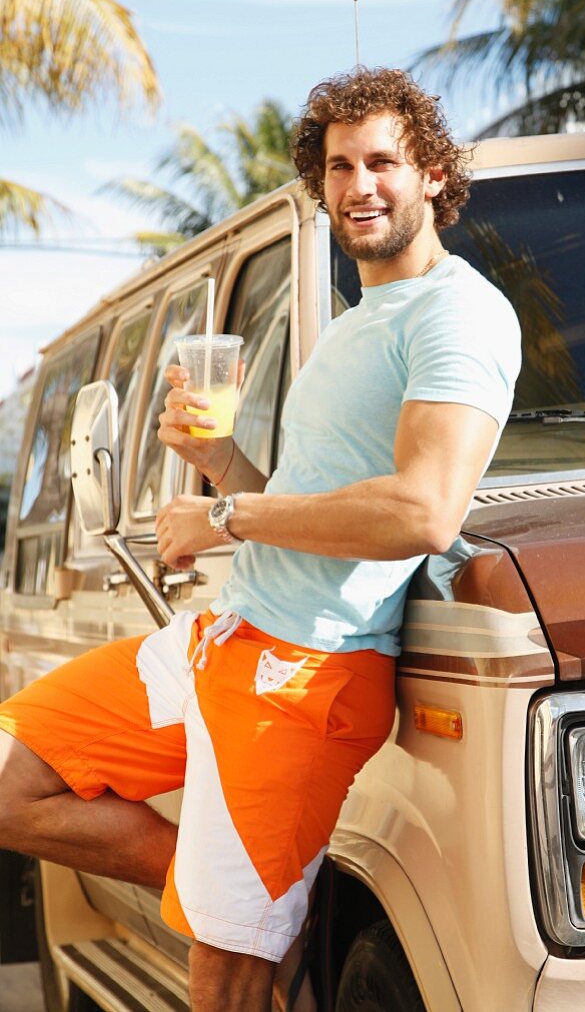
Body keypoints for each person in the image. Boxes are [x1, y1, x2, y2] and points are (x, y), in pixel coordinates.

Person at [0, 67, 521, 1012]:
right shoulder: (356, 325)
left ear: (434, 175)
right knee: (12, 787)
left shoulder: (460, 312)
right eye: (339, 166)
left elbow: (423, 511)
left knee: (224, 990)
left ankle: (241, 912)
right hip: (226, 642)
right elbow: (311, 501)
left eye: (383, 163)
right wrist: (225, 463)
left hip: (307, 678)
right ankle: (230, 893)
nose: (360, 185)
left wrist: (225, 518)